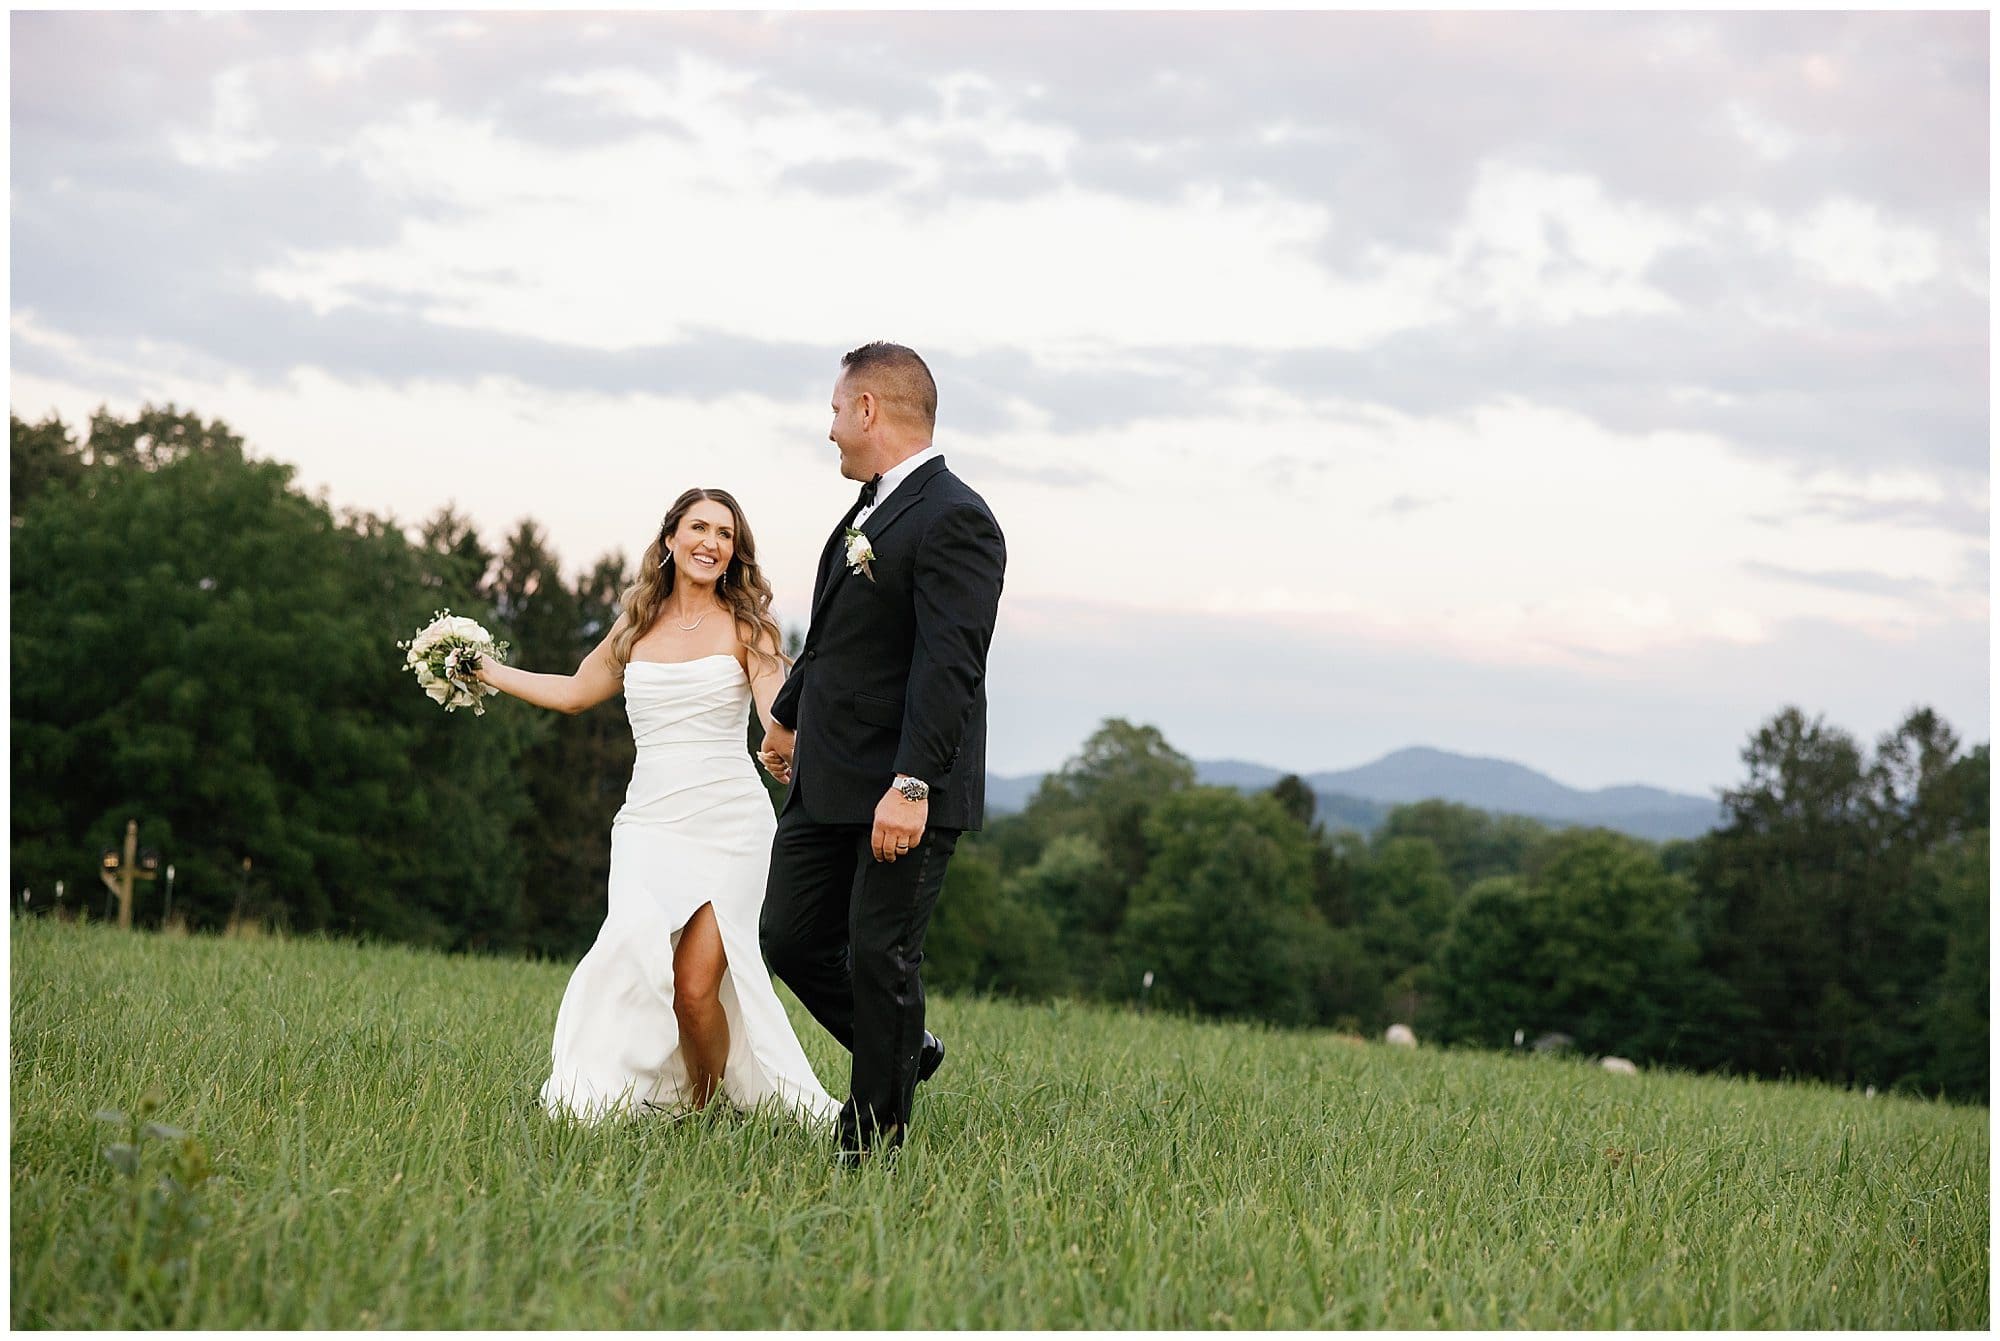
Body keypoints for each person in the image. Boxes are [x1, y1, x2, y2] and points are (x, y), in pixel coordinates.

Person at [475, 488, 837, 1126]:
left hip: (730, 824)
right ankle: (627, 1088)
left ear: (734, 552)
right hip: (647, 824)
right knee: (634, 959)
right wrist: (483, 670)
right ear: (670, 538)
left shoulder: (748, 627)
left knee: (697, 987)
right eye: (698, 528)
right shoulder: (636, 624)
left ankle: (699, 1110)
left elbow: (775, 703)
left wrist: (781, 739)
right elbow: (574, 692)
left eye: (724, 534)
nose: (711, 543)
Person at [757, 342, 1006, 1162]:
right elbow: (835, 636)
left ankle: (870, 1143)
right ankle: (908, 1045)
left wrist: (913, 782)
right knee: (789, 936)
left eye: (835, 410)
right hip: (831, 772)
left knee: (879, 949)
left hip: (903, 783)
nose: (829, 429)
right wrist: (788, 715)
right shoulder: (869, 508)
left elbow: (950, 665)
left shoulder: (956, 516)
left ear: (868, 409)